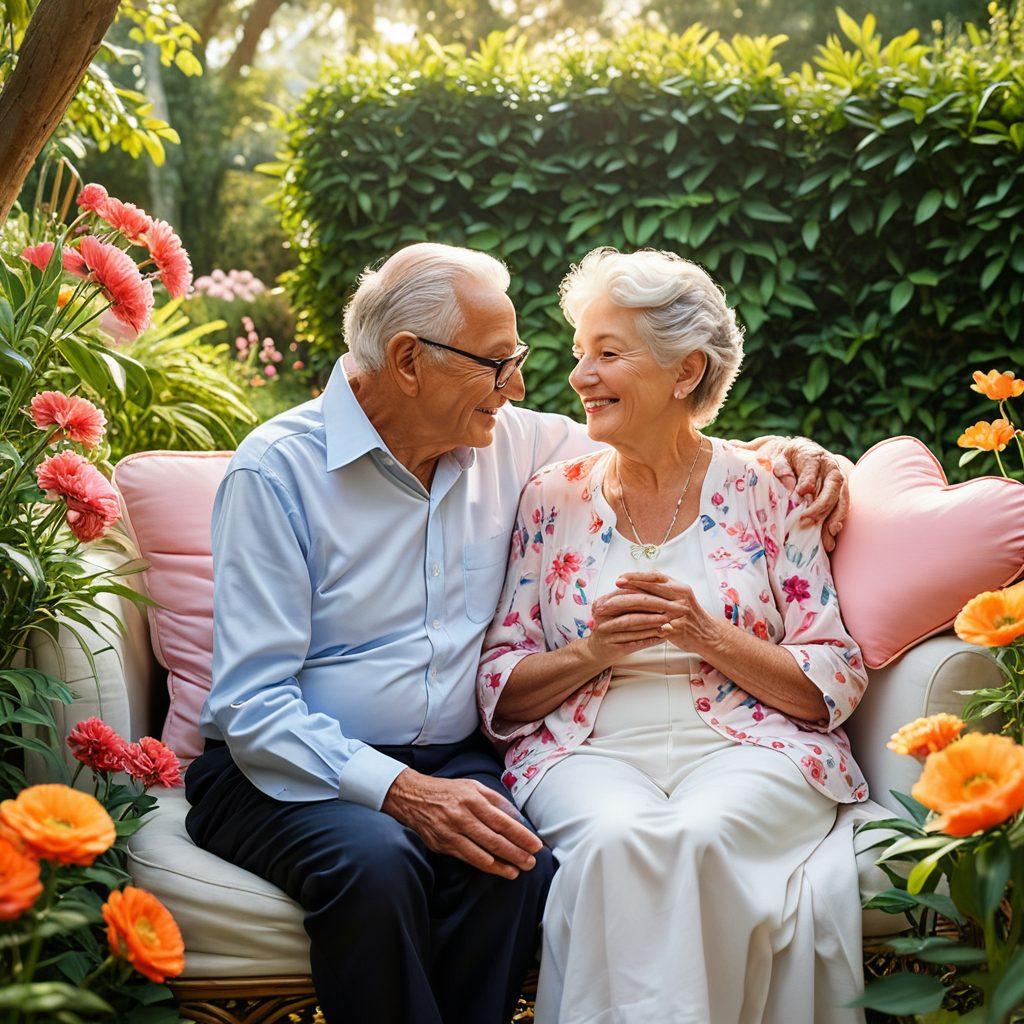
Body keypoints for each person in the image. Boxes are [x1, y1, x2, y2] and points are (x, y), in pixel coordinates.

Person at [183, 242, 849, 1024]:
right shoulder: (278, 474)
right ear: (408, 361)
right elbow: (253, 709)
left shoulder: (507, 438)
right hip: (286, 768)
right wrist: (401, 792)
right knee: (380, 866)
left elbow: (660, 438)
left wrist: (795, 453)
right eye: (499, 364)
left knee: (511, 863)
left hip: (449, 757)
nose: (523, 386)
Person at [478, 247, 870, 1024]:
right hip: (584, 749)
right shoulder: (550, 498)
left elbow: (833, 678)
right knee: (622, 842)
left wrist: (706, 634)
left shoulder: (772, 488)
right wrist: (593, 651)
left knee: (696, 836)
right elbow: (499, 682)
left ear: (685, 372)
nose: (580, 375)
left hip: (752, 747)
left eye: (608, 354)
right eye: (581, 353)